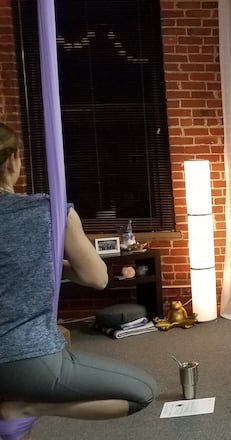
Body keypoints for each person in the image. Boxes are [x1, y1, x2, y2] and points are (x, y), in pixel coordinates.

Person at [0, 122, 156, 440]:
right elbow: (98, 278)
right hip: (26, 360)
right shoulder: (47, 211)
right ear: (13, 159)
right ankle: (26, 408)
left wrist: (45, 265)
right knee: (143, 392)